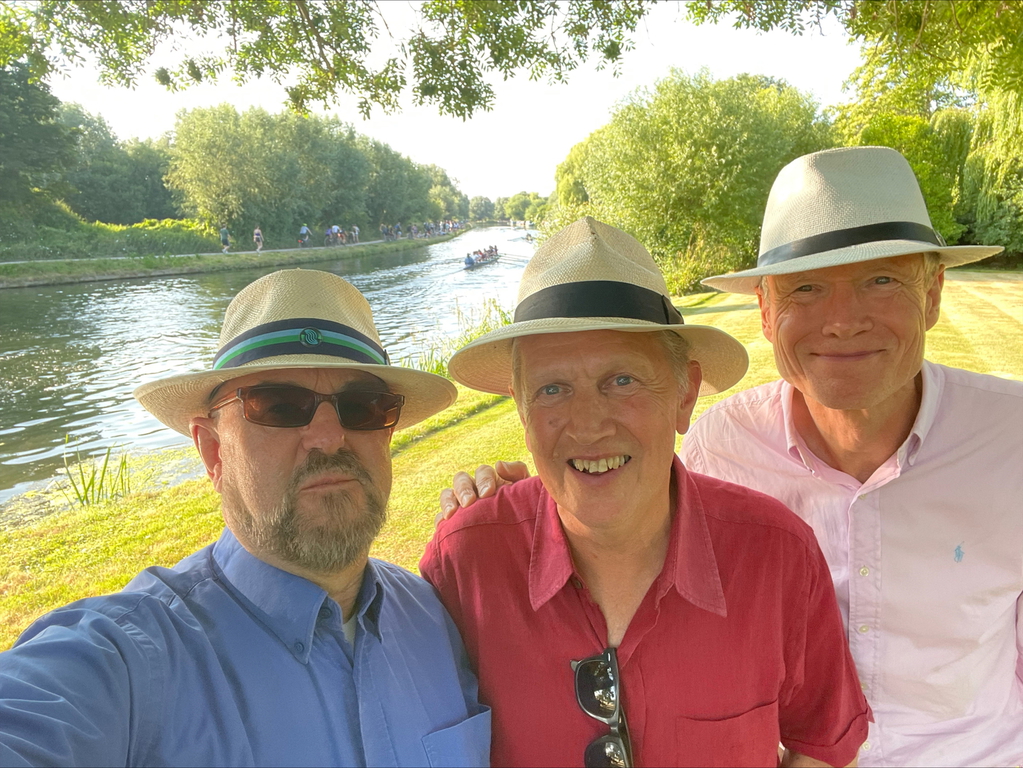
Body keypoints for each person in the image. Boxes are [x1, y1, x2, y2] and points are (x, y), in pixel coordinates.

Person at [445, 148, 1023, 766]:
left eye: (881, 280)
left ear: (933, 294)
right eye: (806, 288)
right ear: (766, 312)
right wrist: (507, 509)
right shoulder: (719, 445)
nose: (842, 321)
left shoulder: (1011, 441)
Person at [422, 217, 870, 767]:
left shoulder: (777, 555)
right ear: (521, 408)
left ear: (684, 395)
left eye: (622, 381)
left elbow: (823, 745)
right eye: (553, 389)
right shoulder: (465, 563)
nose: (588, 425)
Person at [0, 269, 490, 766]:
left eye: (362, 407)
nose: (329, 437)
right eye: (280, 406)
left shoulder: (434, 619)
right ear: (213, 451)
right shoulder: (127, 661)